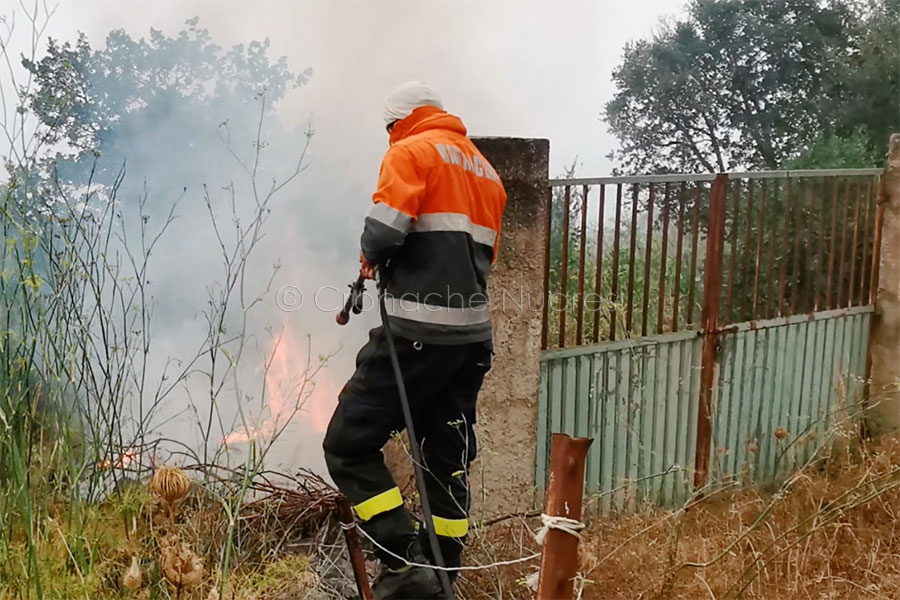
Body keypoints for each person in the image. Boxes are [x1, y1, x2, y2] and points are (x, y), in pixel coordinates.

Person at [323, 81, 507, 599]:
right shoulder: (485, 171)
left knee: (347, 444)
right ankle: (443, 574)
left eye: (387, 130)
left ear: (398, 122)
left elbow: (383, 232)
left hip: (416, 334)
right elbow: (475, 256)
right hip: (471, 341)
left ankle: (404, 569)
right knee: (445, 455)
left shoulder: (411, 151)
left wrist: (372, 252)